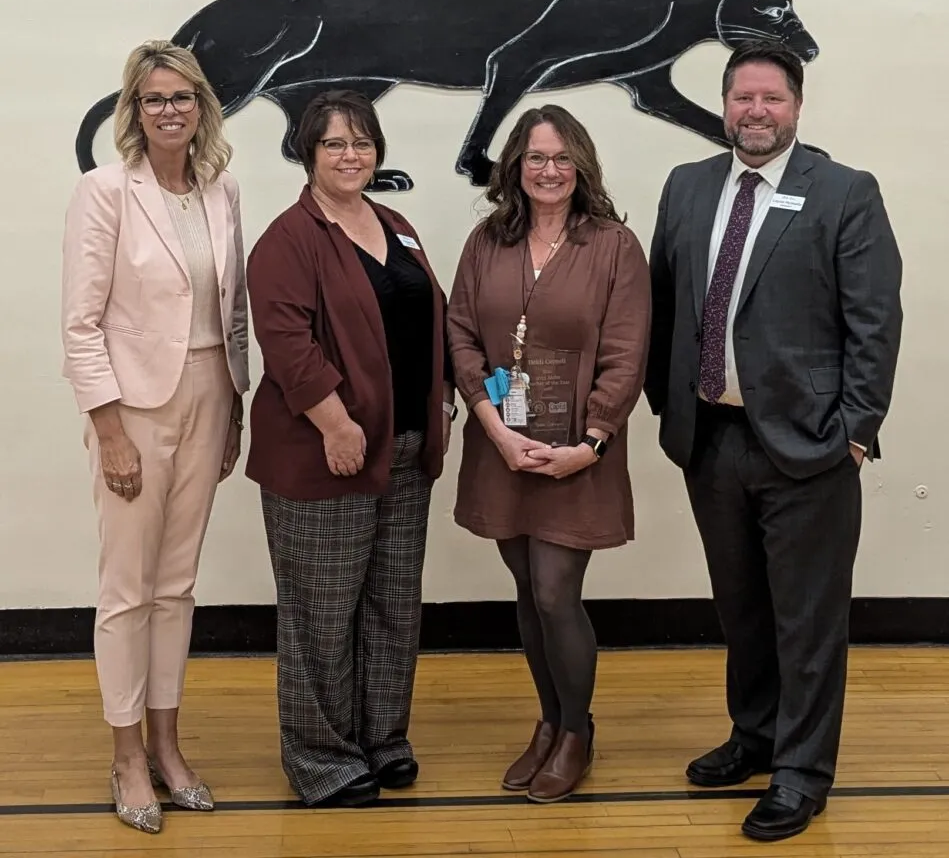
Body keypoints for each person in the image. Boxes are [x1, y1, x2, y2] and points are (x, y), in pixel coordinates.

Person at [644, 39, 902, 842]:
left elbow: (875, 323)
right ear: (723, 105)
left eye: (771, 99)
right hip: (710, 440)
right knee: (743, 610)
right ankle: (754, 737)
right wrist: (668, 405)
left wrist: (854, 435)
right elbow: (662, 301)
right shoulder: (686, 188)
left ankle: (800, 772)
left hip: (810, 449)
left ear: (796, 106)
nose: (755, 112)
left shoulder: (843, 193)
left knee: (806, 620)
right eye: (741, 98)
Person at [245, 89, 455, 808]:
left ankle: (381, 737)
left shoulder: (393, 223)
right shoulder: (288, 238)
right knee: (321, 615)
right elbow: (287, 344)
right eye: (334, 143)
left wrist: (444, 400)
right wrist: (334, 424)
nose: (350, 155)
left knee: (392, 603)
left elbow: (431, 317)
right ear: (308, 152)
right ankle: (320, 759)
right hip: (322, 455)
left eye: (361, 142)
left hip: (403, 449)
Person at [61, 41, 249, 834]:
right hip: (133, 407)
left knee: (176, 586)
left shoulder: (223, 189)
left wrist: (237, 403)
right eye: (151, 99)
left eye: (180, 97)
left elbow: (231, 311)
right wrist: (109, 431)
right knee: (127, 590)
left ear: (202, 106)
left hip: (210, 392)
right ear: (132, 112)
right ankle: (127, 756)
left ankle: (170, 748)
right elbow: (79, 325)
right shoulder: (104, 192)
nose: (167, 110)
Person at [447, 104, 651, 804]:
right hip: (501, 445)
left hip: (577, 455)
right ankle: (548, 721)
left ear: (582, 166)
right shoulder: (486, 241)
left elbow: (626, 356)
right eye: (535, 157)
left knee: (556, 590)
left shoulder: (614, 246)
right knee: (527, 593)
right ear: (515, 166)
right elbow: (460, 336)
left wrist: (591, 443)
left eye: (562, 158)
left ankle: (575, 734)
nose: (548, 170)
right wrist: (492, 427)